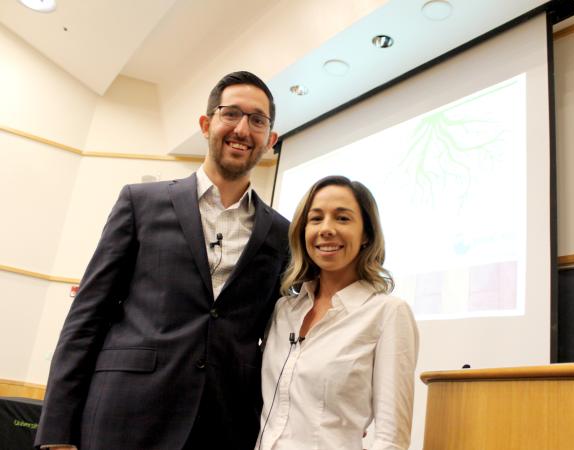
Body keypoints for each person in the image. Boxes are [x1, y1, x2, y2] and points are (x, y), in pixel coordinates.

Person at [35, 71, 290, 450]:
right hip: (122, 415)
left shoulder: (282, 233)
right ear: (206, 124)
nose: (242, 129)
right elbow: (86, 317)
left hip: (224, 425)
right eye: (231, 114)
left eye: (257, 120)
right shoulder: (140, 203)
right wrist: (56, 431)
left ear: (270, 140)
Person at [256, 176, 419, 450]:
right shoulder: (284, 310)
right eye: (316, 218)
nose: (327, 229)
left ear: (366, 234)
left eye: (342, 218)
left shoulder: (388, 314)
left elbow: (392, 440)